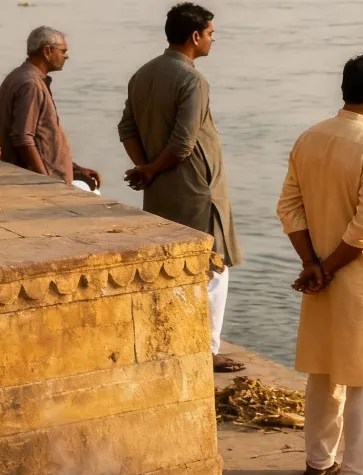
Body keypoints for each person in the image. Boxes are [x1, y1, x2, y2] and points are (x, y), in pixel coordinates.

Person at [276, 54, 363, 475]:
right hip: (362, 275)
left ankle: (319, 462)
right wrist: (327, 268)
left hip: (322, 270)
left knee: (324, 371)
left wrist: (312, 264)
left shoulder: (310, 137)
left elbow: (289, 208)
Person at [118, 3, 244, 374]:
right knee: (213, 267)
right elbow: (184, 142)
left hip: (161, 189)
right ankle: (206, 349)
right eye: (210, 34)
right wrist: (152, 168)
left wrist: (145, 169)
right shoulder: (192, 80)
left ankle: (171, 337)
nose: (212, 40)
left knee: (171, 265)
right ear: (194, 36)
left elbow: (126, 128)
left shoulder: (143, 74)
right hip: (195, 188)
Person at [0, 26, 100, 191]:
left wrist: (75, 169)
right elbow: (23, 138)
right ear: (47, 51)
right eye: (63, 51)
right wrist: (45, 180)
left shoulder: (21, 76)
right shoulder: (31, 83)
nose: (66, 56)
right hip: (38, 181)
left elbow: (45, 136)